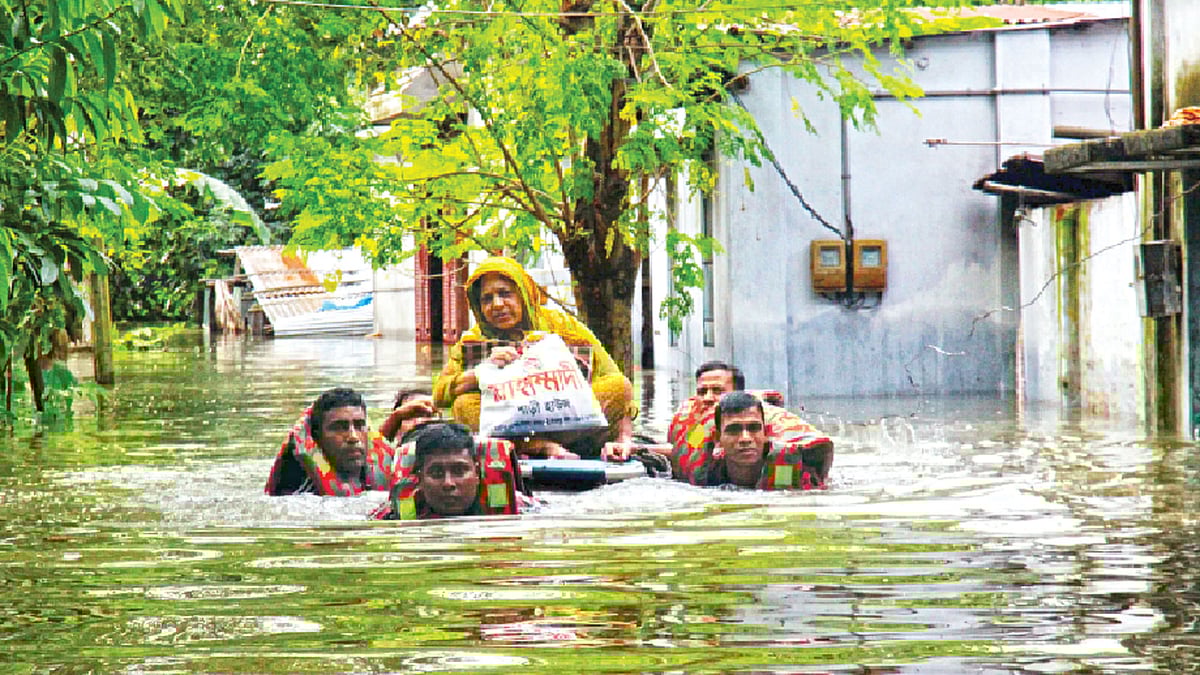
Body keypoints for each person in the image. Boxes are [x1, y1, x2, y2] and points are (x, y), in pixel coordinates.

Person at [433, 256, 636, 458]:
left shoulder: (562, 324)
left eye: (505, 294)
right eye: (487, 298)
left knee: (619, 386)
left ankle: (552, 444)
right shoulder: (474, 339)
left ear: (524, 295)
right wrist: (482, 373)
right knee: (464, 404)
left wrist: (623, 439)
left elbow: (614, 380)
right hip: (515, 429)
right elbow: (440, 394)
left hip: (568, 420)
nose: (497, 304)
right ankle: (539, 446)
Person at [374, 421, 531, 519]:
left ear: (477, 473)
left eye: (459, 471)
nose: (448, 483)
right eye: (436, 474)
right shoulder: (390, 517)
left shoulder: (523, 509)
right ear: (419, 479)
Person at [674, 391, 830, 490]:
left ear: (766, 433)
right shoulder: (705, 470)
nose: (745, 438)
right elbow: (676, 451)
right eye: (733, 430)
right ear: (717, 438)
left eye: (754, 428)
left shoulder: (800, 474)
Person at [265, 387, 395, 496]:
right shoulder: (298, 494)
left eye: (359, 425)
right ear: (317, 437)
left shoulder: (389, 473)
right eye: (339, 427)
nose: (353, 437)